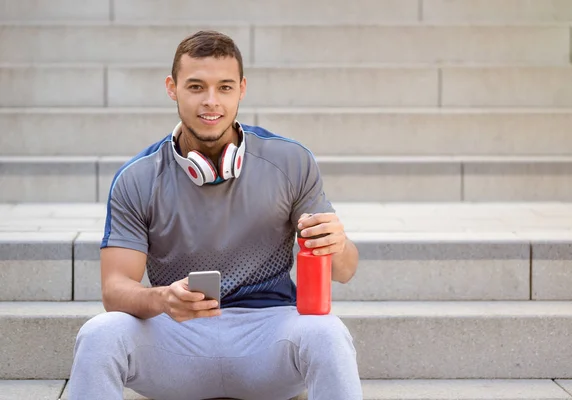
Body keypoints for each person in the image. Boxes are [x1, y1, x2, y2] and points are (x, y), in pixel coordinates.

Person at [68, 30, 362, 400]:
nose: (211, 102)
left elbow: (345, 270)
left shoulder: (290, 162)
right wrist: (163, 299)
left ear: (241, 89)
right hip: (177, 335)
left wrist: (336, 244)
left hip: (268, 336)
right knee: (99, 334)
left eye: (224, 87)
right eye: (195, 87)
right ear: (172, 88)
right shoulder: (137, 178)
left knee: (329, 334)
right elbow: (115, 290)